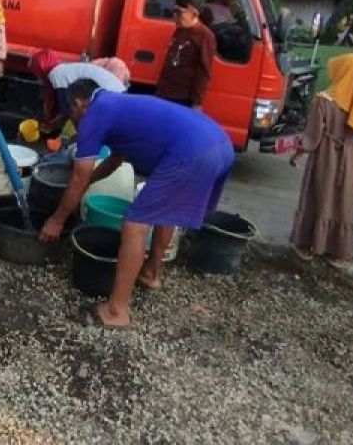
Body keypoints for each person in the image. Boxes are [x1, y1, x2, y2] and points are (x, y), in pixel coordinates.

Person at [38, 79, 234, 329]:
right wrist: (89, 182)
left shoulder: (94, 114)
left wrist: (56, 220)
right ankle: (151, 274)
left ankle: (116, 310)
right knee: (167, 207)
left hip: (192, 151)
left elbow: (78, 176)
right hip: (219, 144)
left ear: (78, 103)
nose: (73, 121)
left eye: (71, 114)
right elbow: (115, 160)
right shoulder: (117, 104)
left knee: (134, 223)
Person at [288, 53, 353, 268]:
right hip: (351, 157)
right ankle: (335, 251)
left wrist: (299, 152)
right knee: (343, 202)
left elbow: (312, 136)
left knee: (318, 195)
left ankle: (307, 244)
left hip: (326, 156)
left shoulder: (324, 100)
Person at [27, 49, 127, 133]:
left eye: (37, 74)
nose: (38, 79)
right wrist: (52, 125)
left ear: (41, 68)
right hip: (119, 94)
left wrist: (77, 138)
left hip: (111, 96)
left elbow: (70, 111)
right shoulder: (65, 70)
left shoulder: (56, 75)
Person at [156, 0, 216, 110]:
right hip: (165, 92)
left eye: (179, 13)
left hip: (182, 97)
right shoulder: (179, 31)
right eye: (174, 12)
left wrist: (197, 103)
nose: (175, 17)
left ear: (193, 13)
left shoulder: (205, 36)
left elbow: (204, 71)